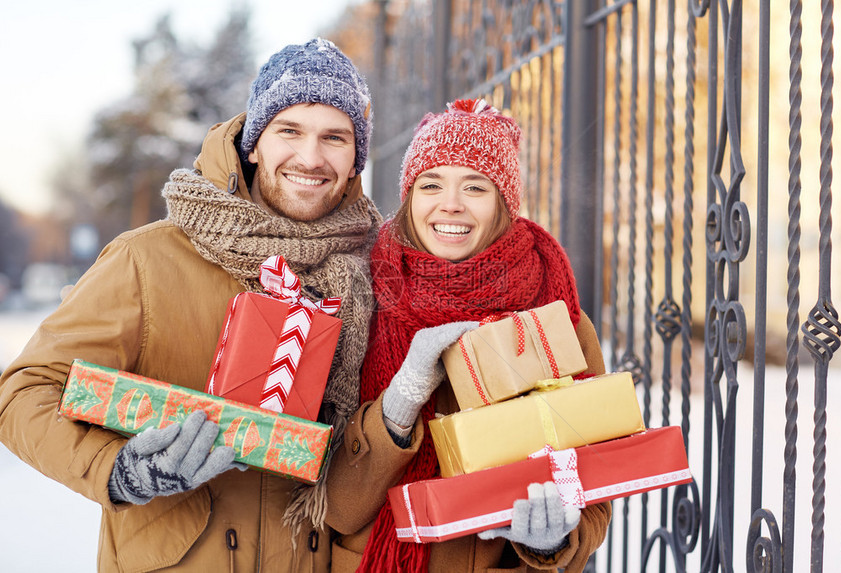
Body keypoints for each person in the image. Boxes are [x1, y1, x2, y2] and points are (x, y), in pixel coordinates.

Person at [0, 38, 381, 571]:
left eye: (334, 137)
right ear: (254, 142)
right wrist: (120, 469)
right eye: (289, 130)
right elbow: (24, 392)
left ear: (356, 156)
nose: (311, 157)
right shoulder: (147, 259)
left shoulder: (376, 272)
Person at [324, 98, 611, 572]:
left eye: (474, 186)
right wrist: (399, 404)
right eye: (431, 183)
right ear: (410, 196)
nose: (449, 204)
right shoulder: (361, 300)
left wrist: (552, 540)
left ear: (503, 202)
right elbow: (334, 506)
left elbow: (596, 484)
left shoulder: (557, 316)